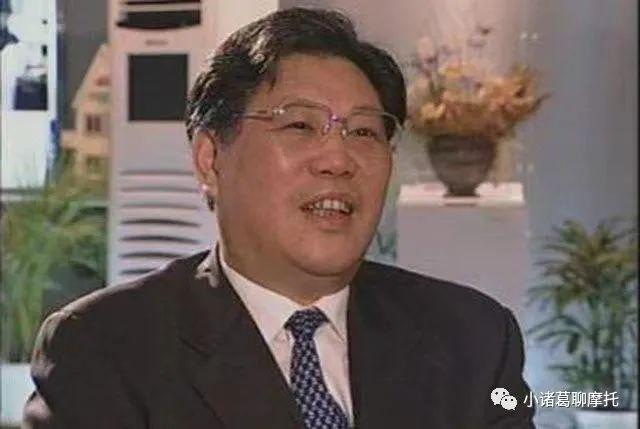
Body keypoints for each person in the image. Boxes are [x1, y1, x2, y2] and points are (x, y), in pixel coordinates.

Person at [23, 7, 534, 429]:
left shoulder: (473, 338)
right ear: (210, 160)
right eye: (299, 126)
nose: (337, 159)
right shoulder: (104, 349)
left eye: (363, 132)